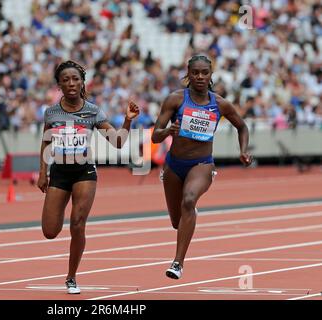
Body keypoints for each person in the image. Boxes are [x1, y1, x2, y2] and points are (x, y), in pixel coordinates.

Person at [37, 60, 139, 294]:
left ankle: (71, 276)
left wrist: (128, 120)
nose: (71, 83)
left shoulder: (92, 111)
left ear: (82, 82)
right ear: (59, 85)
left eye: (75, 79)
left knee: (77, 223)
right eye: (66, 80)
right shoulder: (51, 113)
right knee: (50, 231)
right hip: (59, 172)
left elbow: (118, 141)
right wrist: (43, 172)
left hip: (85, 172)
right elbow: (45, 141)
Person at [151, 55, 252, 280]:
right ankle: (190, 213)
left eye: (204, 72)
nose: (199, 77)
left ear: (210, 75)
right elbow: (156, 137)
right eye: (195, 72)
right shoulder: (175, 100)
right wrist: (169, 131)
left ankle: (177, 263)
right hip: (174, 165)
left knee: (188, 199)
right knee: (177, 222)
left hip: (202, 164)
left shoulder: (220, 104)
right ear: (188, 74)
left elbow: (242, 126)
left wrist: (243, 150)